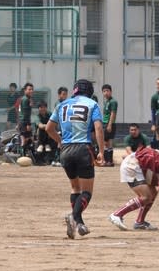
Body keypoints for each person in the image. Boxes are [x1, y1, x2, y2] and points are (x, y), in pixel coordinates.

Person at [46, 79, 105, 239]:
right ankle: (73, 216)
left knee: (75, 188)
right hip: (83, 148)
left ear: (75, 91)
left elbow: (48, 128)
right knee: (87, 192)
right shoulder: (92, 104)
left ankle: (78, 222)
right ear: (90, 92)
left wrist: (60, 142)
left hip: (65, 150)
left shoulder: (62, 104)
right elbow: (98, 127)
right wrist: (101, 151)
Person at [101, 83, 118, 166]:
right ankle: (108, 161)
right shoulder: (106, 102)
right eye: (104, 91)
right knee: (106, 142)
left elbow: (113, 113)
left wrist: (109, 124)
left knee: (107, 142)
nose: (105, 93)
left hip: (109, 123)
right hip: (105, 123)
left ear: (111, 92)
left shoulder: (113, 102)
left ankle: (108, 161)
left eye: (107, 91)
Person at [18, 82, 34, 152]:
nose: (31, 91)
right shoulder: (25, 99)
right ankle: (22, 157)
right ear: (25, 90)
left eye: (32, 89)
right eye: (29, 89)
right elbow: (25, 113)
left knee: (26, 139)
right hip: (24, 122)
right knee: (24, 140)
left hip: (22, 122)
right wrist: (28, 124)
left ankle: (24, 156)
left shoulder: (27, 98)